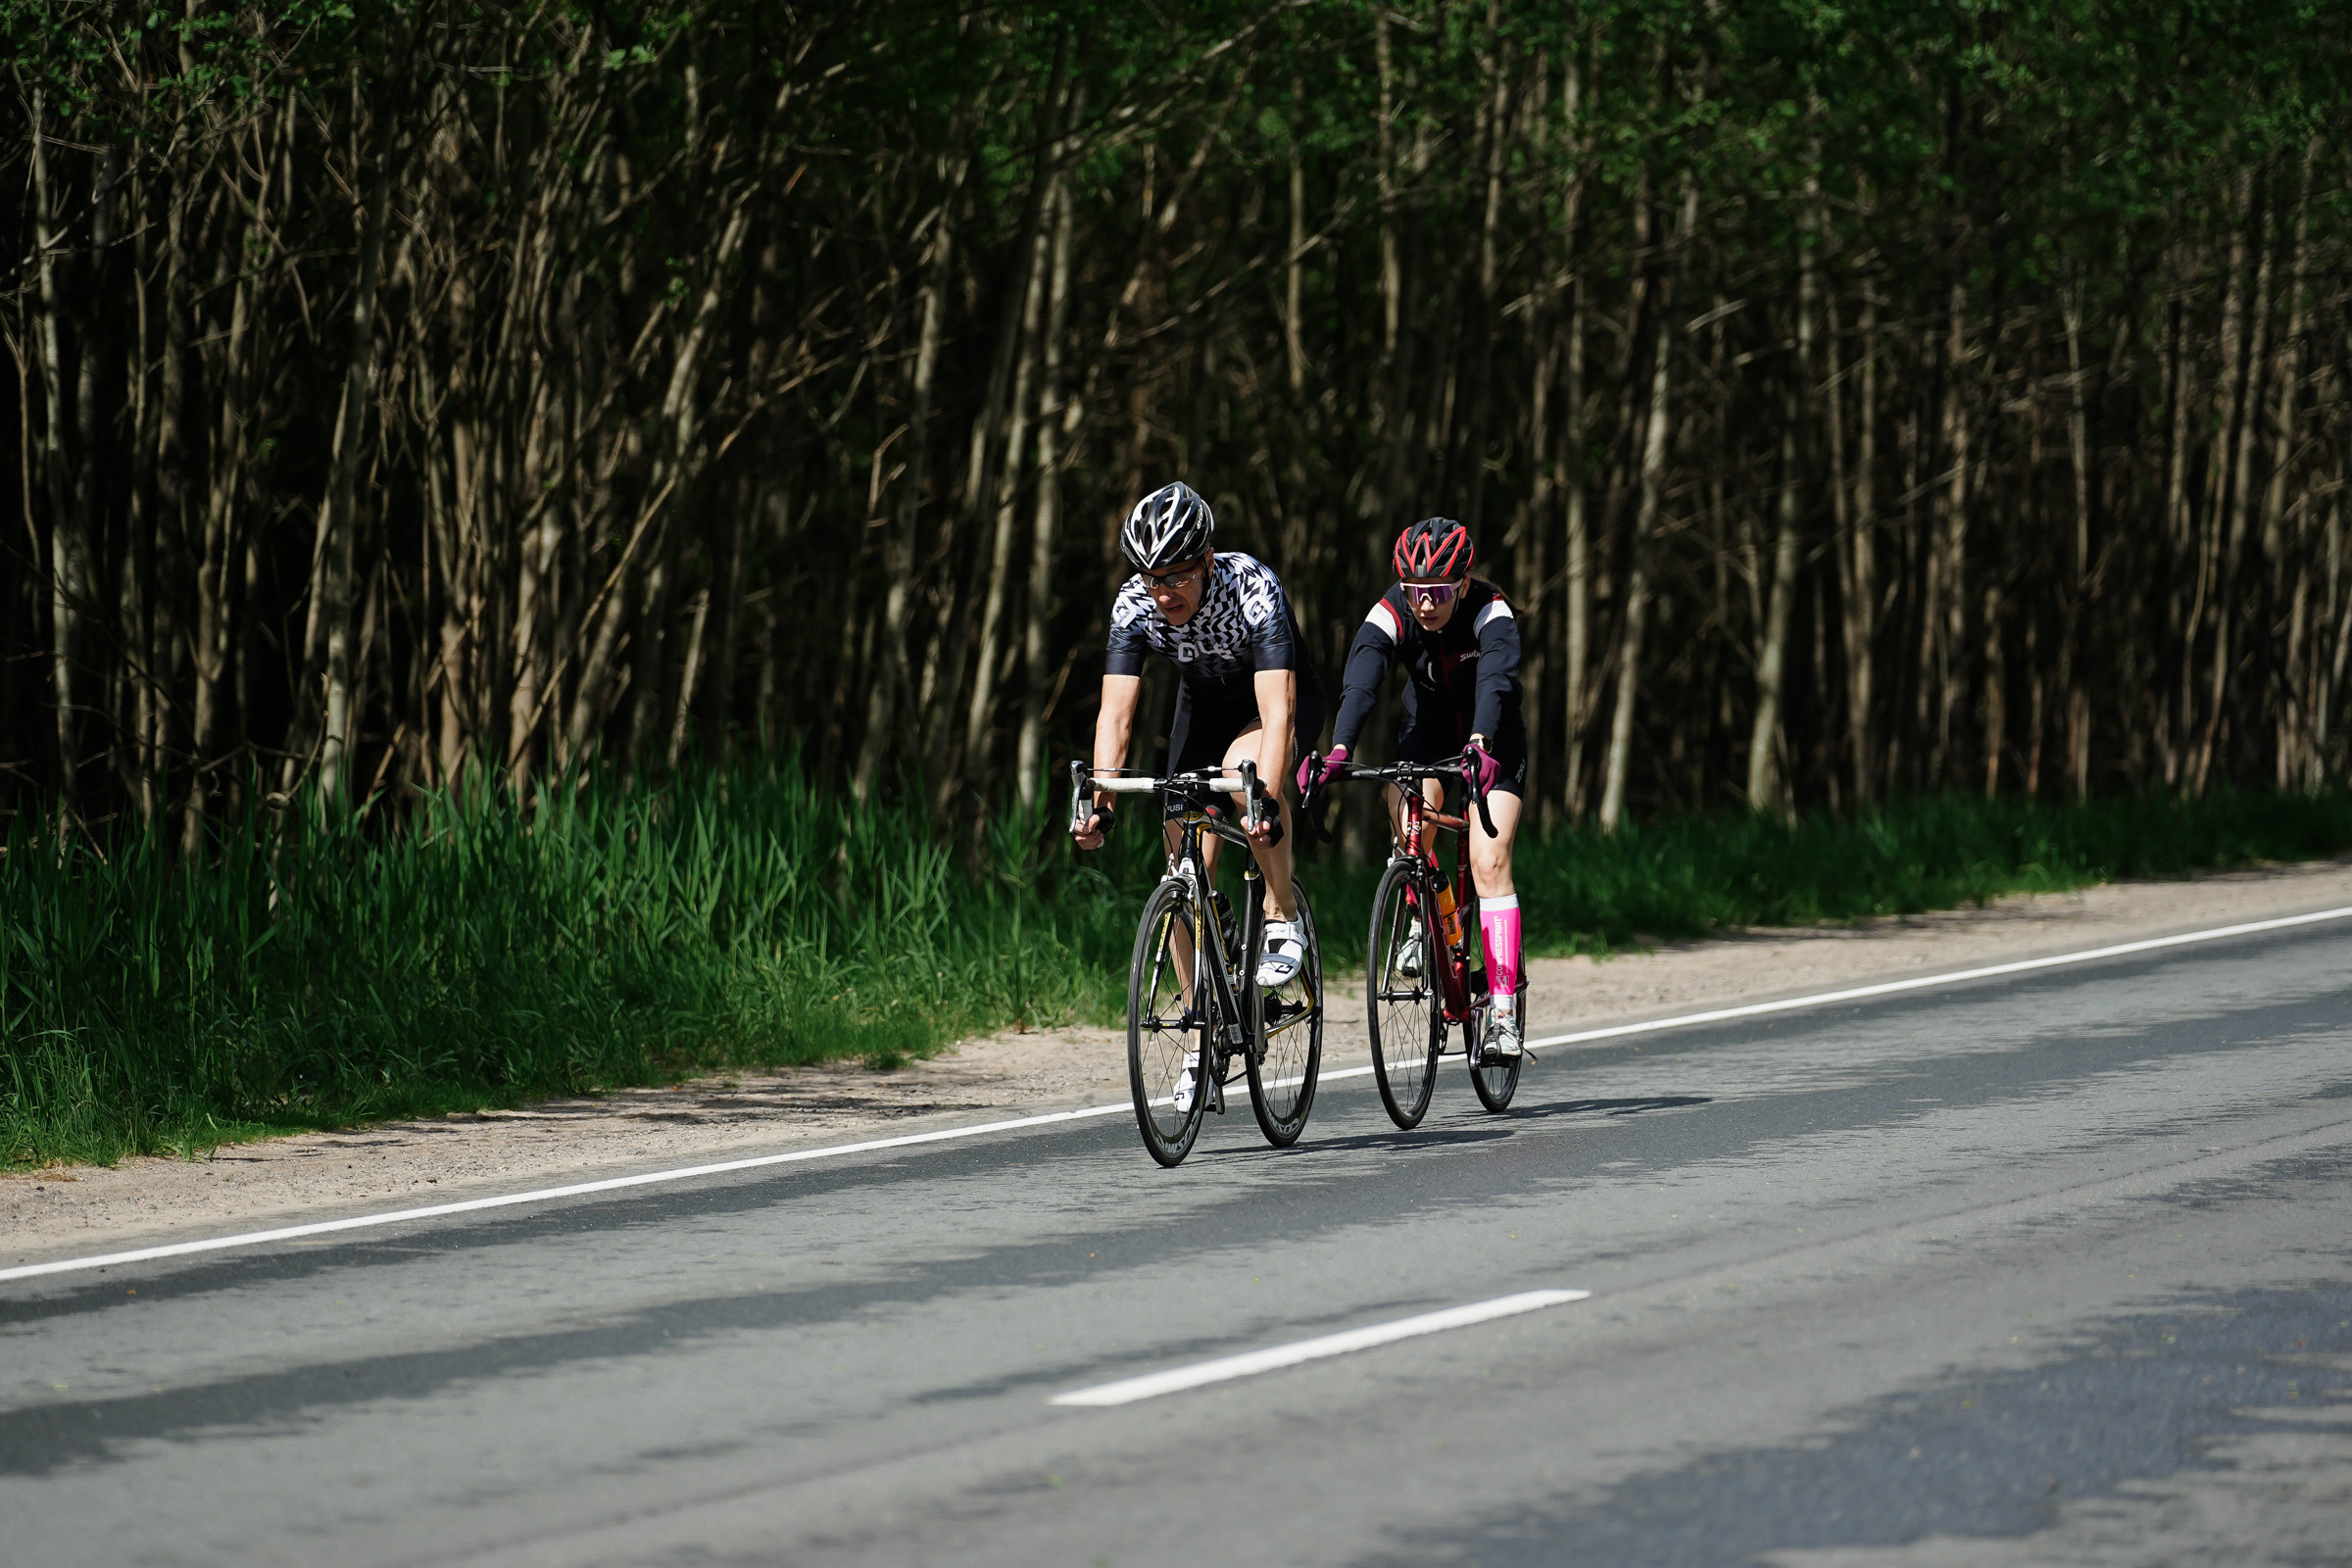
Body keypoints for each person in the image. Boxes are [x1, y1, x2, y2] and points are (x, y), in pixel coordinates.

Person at [1072, 480, 1325, 999]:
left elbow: (1278, 712)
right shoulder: (1134, 604)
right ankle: (1198, 1027)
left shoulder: (1251, 586)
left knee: (1243, 778)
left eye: (1178, 576)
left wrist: (1264, 801)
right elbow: (1115, 716)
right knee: (1181, 865)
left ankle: (1282, 913)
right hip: (1205, 709)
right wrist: (1101, 803)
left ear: (1208, 559)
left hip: (1272, 701)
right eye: (1152, 578)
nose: (1164, 593)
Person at [1304, 516, 1529, 1058]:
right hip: (1426, 733)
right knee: (1411, 824)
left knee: (1489, 862)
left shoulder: (1491, 610)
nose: (1425, 604)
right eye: (1414, 591)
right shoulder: (1393, 610)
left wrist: (1480, 741)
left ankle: (1502, 1016)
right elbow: (1362, 679)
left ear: (1463, 584)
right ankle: (1419, 919)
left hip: (1493, 737)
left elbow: (1495, 681)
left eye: (1438, 592)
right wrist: (1340, 748)